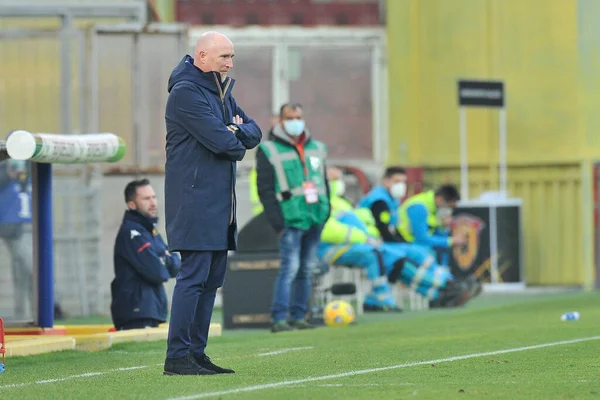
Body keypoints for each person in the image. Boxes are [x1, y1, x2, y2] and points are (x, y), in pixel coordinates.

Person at [163, 31, 262, 375]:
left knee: (210, 280)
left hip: (219, 203)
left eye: (231, 57)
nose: (230, 64)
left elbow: (254, 132)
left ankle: (196, 352)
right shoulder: (186, 93)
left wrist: (236, 132)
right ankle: (178, 356)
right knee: (193, 278)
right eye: (224, 57)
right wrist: (233, 134)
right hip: (194, 200)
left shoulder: (220, 90)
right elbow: (227, 144)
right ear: (202, 56)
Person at [256, 102, 330, 333]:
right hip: (290, 218)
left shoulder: (318, 148)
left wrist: (326, 211)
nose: (295, 122)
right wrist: (277, 222)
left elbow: (323, 182)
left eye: (298, 116)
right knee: (290, 268)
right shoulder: (269, 150)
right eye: (290, 117)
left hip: (314, 216)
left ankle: (299, 316)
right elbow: (265, 190)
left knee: (306, 269)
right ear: (280, 121)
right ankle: (279, 318)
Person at [110, 179, 180, 331]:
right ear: (132, 205)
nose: (153, 203)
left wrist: (164, 260)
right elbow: (157, 272)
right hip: (137, 313)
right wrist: (164, 259)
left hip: (153, 310)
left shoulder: (150, 231)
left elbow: (177, 264)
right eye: (146, 199)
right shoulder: (132, 232)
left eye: (154, 197)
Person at [397, 184, 466, 265]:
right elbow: (422, 239)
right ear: (440, 199)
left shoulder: (433, 208)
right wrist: (451, 241)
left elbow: (433, 233)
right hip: (403, 248)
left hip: (416, 249)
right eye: (449, 207)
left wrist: (443, 227)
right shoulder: (419, 207)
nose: (449, 211)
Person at [0, 159, 33, 320]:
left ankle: (29, 313)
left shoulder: (30, 168)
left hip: (27, 227)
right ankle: (30, 312)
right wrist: (7, 173)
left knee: (24, 270)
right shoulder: (4, 169)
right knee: (31, 269)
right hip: (12, 229)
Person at [357, 166, 408, 243]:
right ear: (386, 181)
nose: (401, 185)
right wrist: (401, 244)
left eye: (403, 182)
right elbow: (383, 229)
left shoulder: (392, 199)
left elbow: (392, 227)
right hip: (371, 241)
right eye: (397, 181)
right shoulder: (379, 201)